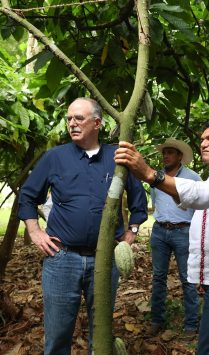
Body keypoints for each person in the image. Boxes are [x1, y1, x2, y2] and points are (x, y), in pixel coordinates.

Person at [114, 119, 209, 355]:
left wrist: (151, 174)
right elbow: (204, 215)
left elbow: (203, 195)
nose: (203, 143)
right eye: (202, 139)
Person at [17, 97, 148, 355]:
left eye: (79, 118)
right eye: (69, 119)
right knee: (57, 335)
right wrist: (35, 232)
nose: (72, 124)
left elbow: (138, 199)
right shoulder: (55, 157)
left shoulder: (117, 158)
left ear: (97, 123)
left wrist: (132, 231)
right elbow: (28, 196)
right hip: (62, 258)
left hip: (104, 259)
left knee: (100, 333)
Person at [149, 138, 201, 336]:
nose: (166, 156)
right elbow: (156, 203)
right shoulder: (156, 177)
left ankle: (190, 325)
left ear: (180, 156)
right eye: (164, 153)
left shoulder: (192, 177)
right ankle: (156, 320)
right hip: (160, 231)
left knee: (187, 279)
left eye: (170, 152)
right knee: (158, 277)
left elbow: (200, 204)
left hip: (183, 232)